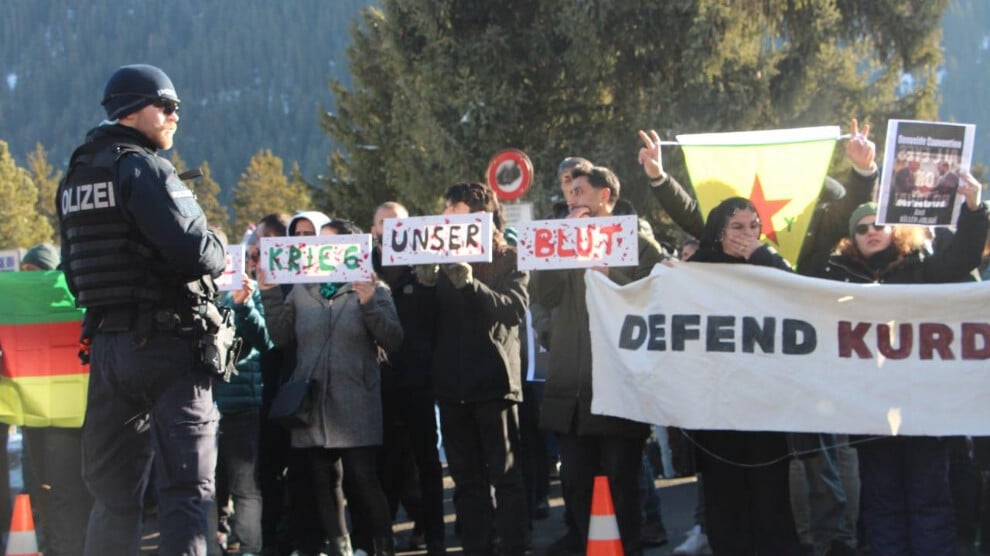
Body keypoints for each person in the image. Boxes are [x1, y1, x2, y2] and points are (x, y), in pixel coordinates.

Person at [55, 64, 227, 555]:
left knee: (114, 499)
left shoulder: (76, 175)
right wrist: (215, 238)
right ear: (134, 109)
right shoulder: (142, 168)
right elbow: (198, 252)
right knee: (186, 492)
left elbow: (75, 271)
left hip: (109, 352)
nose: (176, 117)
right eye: (167, 106)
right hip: (167, 349)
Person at [821, 174, 987, 556]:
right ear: (852, 238)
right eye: (861, 228)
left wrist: (975, 208)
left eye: (878, 223)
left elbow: (964, 255)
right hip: (870, 407)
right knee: (883, 498)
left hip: (923, 404)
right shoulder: (836, 275)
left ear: (893, 229)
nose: (871, 231)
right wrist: (861, 176)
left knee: (929, 494)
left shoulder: (922, 266)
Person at [533, 163, 666, 556]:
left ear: (604, 195)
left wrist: (613, 279)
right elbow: (542, 295)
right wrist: (549, 330)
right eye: (570, 193)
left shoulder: (637, 240)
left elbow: (656, 297)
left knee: (623, 485)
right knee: (576, 484)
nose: (571, 199)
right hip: (570, 386)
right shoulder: (560, 240)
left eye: (579, 192)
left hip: (618, 385)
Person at [260, 216, 403, 556]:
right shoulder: (302, 288)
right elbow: (281, 337)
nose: (319, 249)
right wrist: (268, 295)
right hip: (313, 401)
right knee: (324, 483)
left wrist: (369, 303)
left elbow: (394, 338)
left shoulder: (372, 287)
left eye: (329, 242)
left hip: (356, 398)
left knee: (363, 480)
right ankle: (341, 549)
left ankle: (383, 547)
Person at [685, 197, 804, 555]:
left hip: (763, 401)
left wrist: (761, 256)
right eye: (737, 227)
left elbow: (798, 292)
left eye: (754, 227)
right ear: (718, 231)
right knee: (724, 496)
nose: (747, 235)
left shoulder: (768, 265)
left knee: (771, 495)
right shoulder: (697, 269)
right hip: (716, 404)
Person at [416, 182, 530, 556]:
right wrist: (425, 285)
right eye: (445, 208)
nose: (447, 215)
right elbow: (424, 325)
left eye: (455, 208)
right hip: (451, 386)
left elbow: (512, 310)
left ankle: (513, 545)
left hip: (494, 383)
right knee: (466, 481)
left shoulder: (508, 257)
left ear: (480, 214)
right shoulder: (438, 257)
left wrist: (470, 285)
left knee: (506, 476)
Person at [370, 201, 447, 556]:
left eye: (399, 224)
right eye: (384, 224)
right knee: (383, 466)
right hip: (377, 384)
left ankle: (435, 538)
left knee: (427, 464)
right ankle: (382, 540)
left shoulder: (426, 270)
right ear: (374, 231)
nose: (392, 230)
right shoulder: (362, 268)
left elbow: (438, 322)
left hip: (418, 381)